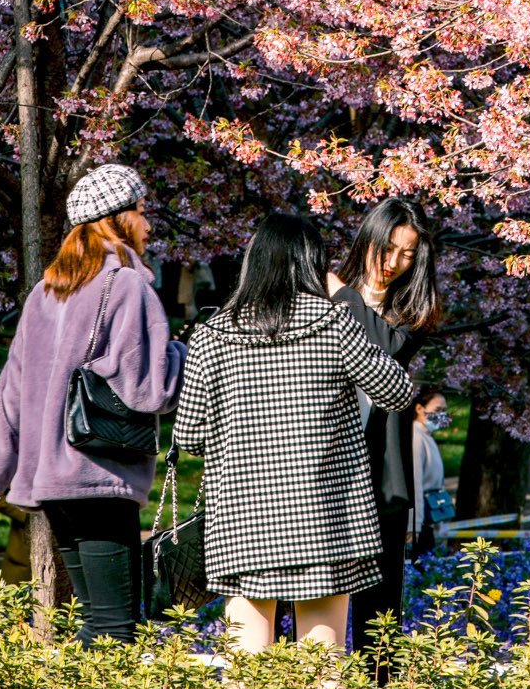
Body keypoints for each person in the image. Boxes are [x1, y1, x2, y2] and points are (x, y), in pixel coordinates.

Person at [172, 211, 415, 656]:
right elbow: (398, 391)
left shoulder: (211, 335)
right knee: (322, 668)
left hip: (242, 521)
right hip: (326, 520)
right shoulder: (333, 323)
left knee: (246, 666)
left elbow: (189, 435)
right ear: (313, 264)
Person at [0, 162, 185, 645]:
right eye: (143, 211)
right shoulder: (128, 286)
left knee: (97, 625)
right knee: (115, 629)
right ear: (119, 219)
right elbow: (150, 390)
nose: (149, 224)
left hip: (51, 484)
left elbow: (12, 393)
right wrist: (181, 352)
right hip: (100, 477)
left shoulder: (44, 295)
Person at [326, 198, 443, 655]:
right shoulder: (323, 297)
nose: (393, 263)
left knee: (380, 616)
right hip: (325, 465)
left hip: (381, 478)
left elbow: (382, 349)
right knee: (318, 598)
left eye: (408, 254)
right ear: (368, 241)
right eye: (387, 249)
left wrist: (344, 297)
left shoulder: (411, 309)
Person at [410, 388, 450, 556]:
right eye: (437, 410)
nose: (440, 415)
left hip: (429, 517)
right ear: (419, 409)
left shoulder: (427, 436)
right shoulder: (416, 436)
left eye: (444, 411)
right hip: (420, 522)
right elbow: (415, 483)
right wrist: (414, 525)